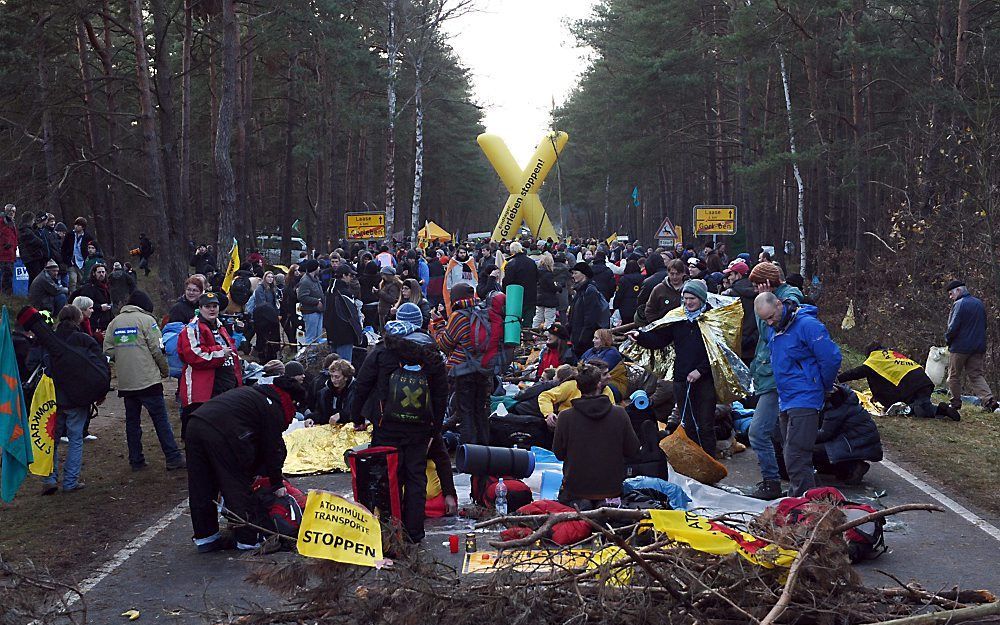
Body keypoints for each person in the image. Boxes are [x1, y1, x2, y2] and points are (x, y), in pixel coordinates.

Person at [351, 313, 448, 543]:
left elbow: (362, 385)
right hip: (420, 429)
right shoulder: (431, 354)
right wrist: (436, 429)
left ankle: (388, 529)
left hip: (387, 426)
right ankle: (414, 532)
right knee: (416, 477)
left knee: (386, 476)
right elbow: (441, 394)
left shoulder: (382, 352)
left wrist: (357, 417)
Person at [185, 377, 305, 552]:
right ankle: (248, 539)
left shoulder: (255, 395)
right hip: (223, 431)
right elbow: (272, 448)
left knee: (201, 484)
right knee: (235, 483)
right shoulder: (273, 407)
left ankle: (206, 538)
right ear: (292, 401)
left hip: (195, 423)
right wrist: (277, 482)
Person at [754, 291, 842, 497]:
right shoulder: (774, 328)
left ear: (778, 304)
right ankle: (811, 498)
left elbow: (831, 358)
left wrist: (824, 385)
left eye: (770, 317)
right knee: (790, 452)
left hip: (806, 396)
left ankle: (801, 504)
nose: (769, 322)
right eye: (764, 320)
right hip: (786, 397)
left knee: (796, 455)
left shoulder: (807, 326)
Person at [18, 304, 111, 493]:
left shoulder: (49, 340)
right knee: (76, 439)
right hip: (78, 399)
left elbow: (32, 363)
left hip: (52, 398)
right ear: (79, 319)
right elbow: (101, 364)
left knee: (50, 438)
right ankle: (70, 482)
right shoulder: (84, 339)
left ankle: (49, 478)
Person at [628, 280, 718, 456]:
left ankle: (709, 460)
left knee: (706, 424)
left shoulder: (712, 319)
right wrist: (641, 337)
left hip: (705, 379)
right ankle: (693, 461)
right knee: (687, 423)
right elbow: (661, 339)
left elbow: (718, 352)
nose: (688, 302)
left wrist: (700, 370)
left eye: (692, 298)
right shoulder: (679, 318)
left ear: (701, 298)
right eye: (685, 298)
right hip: (682, 377)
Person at [104, 290, 186, 472]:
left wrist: (124, 358)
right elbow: (158, 349)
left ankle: (136, 460)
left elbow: (108, 350)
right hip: (148, 380)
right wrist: (165, 370)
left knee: (132, 423)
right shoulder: (148, 321)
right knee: (161, 420)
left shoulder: (114, 323)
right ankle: (173, 457)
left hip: (126, 382)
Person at [746, 261, 804, 499]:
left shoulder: (787, 298)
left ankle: (771, 481)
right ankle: (790, 477)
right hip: (766, 373)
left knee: (757, 432)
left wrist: (765, 299)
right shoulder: (769, 297)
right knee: (778, 433)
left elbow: (769, 330)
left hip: (777, 377)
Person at [553, 363, 640, 510]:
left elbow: (559, 454)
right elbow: (633, 450)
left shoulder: (565, 417)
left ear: (577, 386)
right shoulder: (619, 414)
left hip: (575, 490)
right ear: (599, 384)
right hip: (611, 489)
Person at [430, 284, 491, 446]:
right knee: (480, 411)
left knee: (465, 413)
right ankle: (485, 451)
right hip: (483, 369)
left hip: (463, 370)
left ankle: (470, 454)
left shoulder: (458, 316)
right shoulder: (483, 312)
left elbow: (444, 344)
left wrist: (438, 324)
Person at [177, 292, 244, 437]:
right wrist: (220, 352)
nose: (212, 309)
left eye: (215, 306)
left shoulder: (220, 326)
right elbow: (194, 355)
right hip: (203, 390)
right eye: (207, 306)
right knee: (201, 430)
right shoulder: (192, 328)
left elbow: (231, 350)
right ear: (200, 308)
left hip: (225, 385)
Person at [838, 342, 960, 421]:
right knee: (922, 405)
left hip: (911, 385)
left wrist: (837, 379)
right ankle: (942, 410)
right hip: (923, 380)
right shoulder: (891, 354)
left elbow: (855, 373)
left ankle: (933, 409)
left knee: (919, 411)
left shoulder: (875, 360)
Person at [944, 280, 997, 412]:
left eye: (951, 294)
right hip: (978, 346)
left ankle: (955, 403)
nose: (951, 297)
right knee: (976, 375)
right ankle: (989, 401)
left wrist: (948, 340)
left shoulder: (959, 304)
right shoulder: (979, 303)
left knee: (954, 375)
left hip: (960, 347)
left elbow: (953, 327)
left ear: (959, 290)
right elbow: (984, 325)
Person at [813, 384, 883, 484]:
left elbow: (825, 434)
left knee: (809, 449)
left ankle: (853, 468)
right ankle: (838, 468)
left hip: (858, 443)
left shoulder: (836, 405)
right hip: (854, 440)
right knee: (813, 448)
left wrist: (799, 437)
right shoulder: (840, 399)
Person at [539, 359, 616, 429]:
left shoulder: (607, 390)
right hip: (568, 426)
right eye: (605, 374)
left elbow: (612, 413)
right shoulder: (572, 385)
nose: (609, 376)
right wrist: (549, 414)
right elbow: (545, 396)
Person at [324, 263, 365, 362]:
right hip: (345, 334)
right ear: (344, 276)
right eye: (350, 275)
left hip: (331, 332)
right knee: (344, 364)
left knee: (333, 364)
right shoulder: (345, 293)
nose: (351, 278)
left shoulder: (330, 291)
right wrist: (359, 334)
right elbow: (352, 316)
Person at [567, 261, 608, 359]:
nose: (573, 276)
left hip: (584, 339)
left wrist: (582, 339)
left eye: (576, 273)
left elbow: (590, 317)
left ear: (584, 275)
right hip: (577, 336)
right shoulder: (580, 290)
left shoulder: (589, 291)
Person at [721, 260, 757, 364]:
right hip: (754, 346)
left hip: (734, 344)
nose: (728, 278)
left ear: (738, 275)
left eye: (731, 274)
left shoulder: (729, 295)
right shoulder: (759, 292)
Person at [306, 358, 357, 426]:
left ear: (346, 377)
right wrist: (311, 418)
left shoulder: (356, 391)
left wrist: (341, 415)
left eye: (337, 377)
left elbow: (358, 412)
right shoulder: (324, 393)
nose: (333, 380)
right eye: (332, 376)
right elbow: (321, 413)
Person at [503, 241, 538, 327]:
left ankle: (516, 338)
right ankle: (527, 337)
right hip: (531, 294)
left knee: (514, 320)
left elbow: (507, 281)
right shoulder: (531, 262)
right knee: (528, 319)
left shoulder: (511, 263)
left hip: (515, 296)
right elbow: (537, 277)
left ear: (512, 251)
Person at [580, 328, 626, 395]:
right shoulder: (591, 351)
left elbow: (597, 371)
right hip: (594, 382)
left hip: (612, 385)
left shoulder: (612, 353)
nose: (593, 340)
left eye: (596, 338)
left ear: (604, 340)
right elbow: (579, 363)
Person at [60, 217, 97, 292]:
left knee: (82, 281)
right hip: (72, 262)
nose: (76, 227)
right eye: (75, 225)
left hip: (82, 262)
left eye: (78, 225)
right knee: (72, 281)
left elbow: (93, 248)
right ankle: (72, 297)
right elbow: (64, 248)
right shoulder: (70, 235)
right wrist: (66, 259)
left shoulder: (88, 237)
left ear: (83, 227)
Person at [645, 259, 687, 324]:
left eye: (677, 274)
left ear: (683, 273)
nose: (674, 277)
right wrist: (657, 324)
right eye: (672, 274)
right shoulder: (658, 289)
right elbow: (649, 310)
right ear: (668, 273)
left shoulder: (689, 288)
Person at [252, 270, 281, 362]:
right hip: (263, 317)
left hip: (272, 316)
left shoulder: (273, 289)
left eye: (272, 277)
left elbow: (275, 302)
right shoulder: (260, 289)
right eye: (268, 277)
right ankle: (262, 355)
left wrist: (277, 313)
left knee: (274, 337)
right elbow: (261, 303)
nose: (270, 279)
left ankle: (273, 354)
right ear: (265, 278)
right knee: (262, 337)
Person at [76, 263, 113, 333]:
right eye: (99, 272)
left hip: (107, 319)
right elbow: (84, 305)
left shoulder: (107, 286)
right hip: (94, 320)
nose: (101, 274)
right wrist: (100, 307)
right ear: (94, 273)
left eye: (103, 272)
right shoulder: (88, 287)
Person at [296, 259, 325, 345]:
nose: (319, 268)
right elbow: (301, 296)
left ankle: (315, 356)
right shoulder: (305, 281)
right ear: (315, 268)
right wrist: (316, 302)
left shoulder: (315, 279)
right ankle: (308, 356)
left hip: (317, 311)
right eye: (318, 266)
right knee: (311, 338)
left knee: (318, 337)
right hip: (310, 312)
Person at [443, 247, 478, 314]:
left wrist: (475, 289)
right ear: (457, 253)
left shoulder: (470, 262)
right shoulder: (452, 262)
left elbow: (474, 276)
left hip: (469, 291)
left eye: (464, 253)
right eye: (461, 253)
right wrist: (449, 289)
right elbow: (448, 276)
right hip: (456, 290)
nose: (463, 254)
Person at [533, 252, 560, 328]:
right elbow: (552, 287)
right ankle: (548, 334)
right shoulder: (548, 274)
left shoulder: (537, 273)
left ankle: (532, 331)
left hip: (539, 298)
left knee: (538, 317)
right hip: (549, 299)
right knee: (549, 319)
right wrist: (559, 287)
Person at [614, 258, 644, 325]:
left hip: (625, 307)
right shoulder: (643, 278)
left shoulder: (623, 279)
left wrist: (615, 305)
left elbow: (619, 294)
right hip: (638, 306)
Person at [376, 266, 402, 330]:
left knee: (386, 331)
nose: (382, 276)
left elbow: (391, 299)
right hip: (382, 311)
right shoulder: (385, 283)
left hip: (387, 312)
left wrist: (379, 292)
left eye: (383, 274)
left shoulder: (393, 285)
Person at [0, 203, 16, 294]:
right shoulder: (2, 222)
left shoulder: (11, 223)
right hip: (4, 255)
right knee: (6, 278)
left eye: (13, 211)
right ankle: (5, 297)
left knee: (9, 277)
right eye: (10, 211)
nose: (12, 213)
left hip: (11, 255)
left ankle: (8, 297)